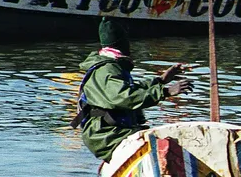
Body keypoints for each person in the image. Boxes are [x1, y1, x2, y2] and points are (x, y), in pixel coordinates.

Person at [72, 17, 193, 162]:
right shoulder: (106, 69)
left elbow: (129, 89)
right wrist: (165, 92)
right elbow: (124, 97)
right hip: (106, 135)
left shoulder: (108, 65)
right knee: (166, 144)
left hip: (110, 132)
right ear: (121, 43)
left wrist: (160, 80)